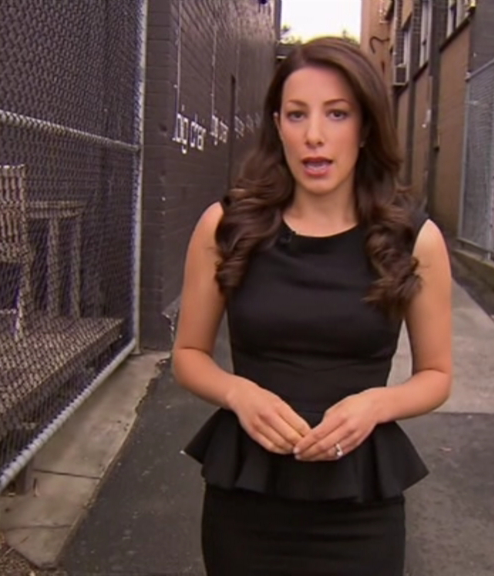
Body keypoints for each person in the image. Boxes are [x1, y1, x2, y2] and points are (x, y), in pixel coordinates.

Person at [172, 36, 453, 576]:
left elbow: (436, 375)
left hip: (359, 505)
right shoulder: (226, 226)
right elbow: (188, 355)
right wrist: (238, 393)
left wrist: (376, 404)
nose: (314, 135)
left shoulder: (414, 240)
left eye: (337, 114)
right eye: (297, 114)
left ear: (365, 127)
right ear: (278, 125)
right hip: (247, 500)